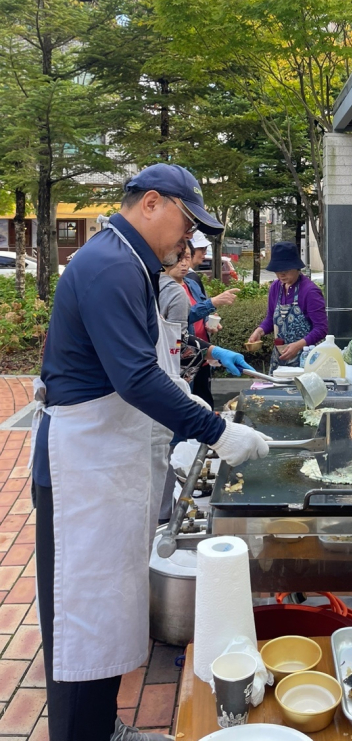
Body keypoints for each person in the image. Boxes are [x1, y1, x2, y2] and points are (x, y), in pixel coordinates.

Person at [32, 163, 271, 741]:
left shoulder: (132, 265)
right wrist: (217, 431)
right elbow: (136, 377)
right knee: (82, 612)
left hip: (107, 464)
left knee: (109, 608)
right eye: (187, 224)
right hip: (79, 471)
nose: (188, 240)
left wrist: (203, 375)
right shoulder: (111, 265)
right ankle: (79, 733)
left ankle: (100, 725)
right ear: (153, 203)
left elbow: (153, 362)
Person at [154, 247, 250, 535]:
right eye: (182, 257)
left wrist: (212, 351)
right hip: (159, 390)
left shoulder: (156, 284)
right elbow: (177, 345)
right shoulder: (172, 293)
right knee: (167, 449)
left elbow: (180, 343)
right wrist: (210, 353)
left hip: (162, 388)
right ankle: (162, 519)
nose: (187, 263)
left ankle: (163, 513)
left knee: (170, 447)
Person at [247, 240, 327, 372]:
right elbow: (270, 318)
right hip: (280, 357)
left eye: (285, 270)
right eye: (277, 271)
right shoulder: (275, 287)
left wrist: (299, 345)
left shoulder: (310, 291)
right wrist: (259, 331)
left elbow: (321, 328)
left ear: (297, 267)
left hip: (306, 359)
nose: (281, 275)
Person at [183, 230, 237, 407]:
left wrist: (208, 323)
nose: (184, 263)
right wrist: (213, 302)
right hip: (184, 361)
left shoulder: (191, 281)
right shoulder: (166, 288)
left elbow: (199, 313)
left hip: (201, 354)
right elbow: (181, 318)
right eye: (181, 257)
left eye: (187, 257)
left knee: (205, 404)